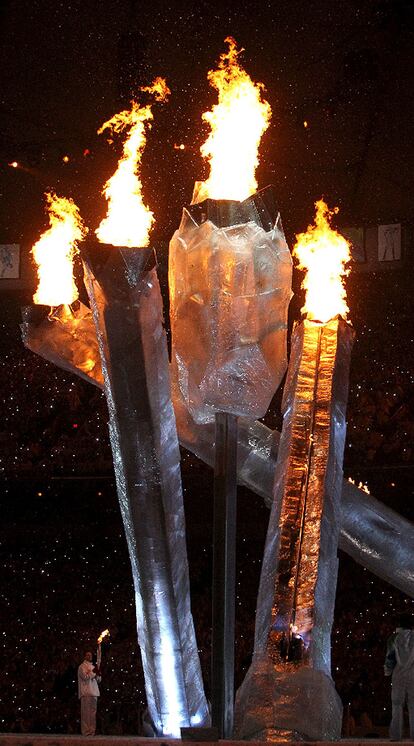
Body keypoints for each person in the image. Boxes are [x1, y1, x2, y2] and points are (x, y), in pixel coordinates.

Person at [384, 613, 414, 740]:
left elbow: (390, 657)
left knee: (397, 704)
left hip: (398, 674)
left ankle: (396, 735)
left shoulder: (393, 638)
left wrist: (387, 671)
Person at [78, 651, 100, 736]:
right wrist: (94, 672)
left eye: (90, 655)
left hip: (94, 692)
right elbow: (85, 677)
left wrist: (98, 673)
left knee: (92, 713)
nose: (89, 656)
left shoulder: (93, 666)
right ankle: (85, 731)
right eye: (87, 655)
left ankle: (92, 731)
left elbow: (98, 680)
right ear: (84, 656)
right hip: (86, 692)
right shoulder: (81, 667)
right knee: (86, 713)